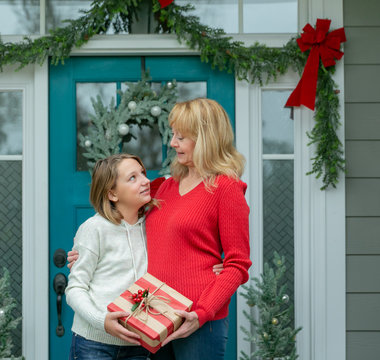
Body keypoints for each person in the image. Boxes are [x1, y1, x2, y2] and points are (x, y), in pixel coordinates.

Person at [69, 98, 251, 360]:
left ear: (205, 139)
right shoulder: (165, 186)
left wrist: (201, 314)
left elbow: (237, 264)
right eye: (173, 134)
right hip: (154, 317)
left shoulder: (226, 188)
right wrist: (82, 253)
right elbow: (117, 208)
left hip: (196, 320)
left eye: (181, 137)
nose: (173, 143)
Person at [65, 153, 154, 360]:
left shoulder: (154, 226)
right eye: (133, 178)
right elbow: (75, 288)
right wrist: (101, 320)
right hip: (94, 344)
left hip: (139, 343)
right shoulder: (94, 229)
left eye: (143, 173)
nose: (145, 181)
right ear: (112, 194)